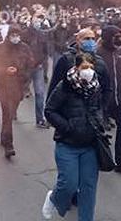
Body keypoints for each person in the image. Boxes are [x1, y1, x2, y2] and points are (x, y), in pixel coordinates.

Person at [42, 53, 103, 221]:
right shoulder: (65, 86)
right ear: (76, 68)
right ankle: (54, 198)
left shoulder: (96, 86)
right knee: (68, 184)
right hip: (67, 144)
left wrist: (98, 123)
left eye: (91, 67)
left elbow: (98, 108)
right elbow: (49, 110)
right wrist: (68, 127)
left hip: (90, 145)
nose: (88, 71)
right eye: (84, 67)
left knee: (88, 187)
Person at [0, 25, 34, 158]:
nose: (15, 37)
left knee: (12, 112)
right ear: (8, 35)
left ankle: (4, 136)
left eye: (17, 35)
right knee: (7, 114)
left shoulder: (25, 48)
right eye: (13, 35)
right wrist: (4, 70)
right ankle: (9, 145)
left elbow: (30, 64)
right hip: (4, 85)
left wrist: (23, 74)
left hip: (19, 86)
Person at [97, 25, 121, 176]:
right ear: (107, 37)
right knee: (98, 132)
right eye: (115, 36)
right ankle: (100, 159)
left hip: (120, 100)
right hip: (101, 101)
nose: (118, 39)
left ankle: (120, 162)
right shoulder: (97, 54)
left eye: (120, 36)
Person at [48, 28, 111, 112]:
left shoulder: (100, 62)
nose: (90, 41)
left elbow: (106, 88)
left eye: (93, 39)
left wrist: (102, 109)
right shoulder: (66, 60)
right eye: (87, 38)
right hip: (69, 112)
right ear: (78, 40)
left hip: (92, 113)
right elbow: (55, 84)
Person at [22, 15, 52, 129]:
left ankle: (40, 119)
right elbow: (21, 49)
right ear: (31, 20)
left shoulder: (42, 34)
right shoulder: (25, 33)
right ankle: (13, 111)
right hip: (25, 68)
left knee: (40, 93)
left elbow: (46, 50)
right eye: (36, 18)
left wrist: (42, 61)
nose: (38, 21)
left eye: (40, 19)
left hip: (38, 67)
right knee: (19, 92)